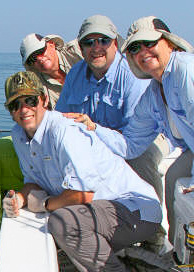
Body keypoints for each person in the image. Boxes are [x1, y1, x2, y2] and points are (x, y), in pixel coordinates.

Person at [2, 71, 162, 272]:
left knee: (63, 223)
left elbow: (83, 195)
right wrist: (20, 199)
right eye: (15, 105)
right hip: (99, 214)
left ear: (44, 99)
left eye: (30, 101)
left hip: (135, 210)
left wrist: (43, 203)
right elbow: (32, 181)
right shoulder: (18, 135)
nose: (24, 109)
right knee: (54, 255)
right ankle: (130, 261)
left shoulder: (65, 131)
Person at [56, 14, 169, 253]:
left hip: (140, 138)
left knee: (142, 158)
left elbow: (134, 138)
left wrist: (97, 139)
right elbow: (60, 120)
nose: (96, 47)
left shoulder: (131, 73)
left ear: (115, 43)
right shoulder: (75, 74)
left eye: (103, 40)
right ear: (81, 48)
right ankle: (95, 231)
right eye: (89, 42)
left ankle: (154, 234)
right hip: (96, 140)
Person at [77, 16, 194, 245]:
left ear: (169, 43)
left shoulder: (186, 71)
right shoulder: (153, 94)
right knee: (173, 178)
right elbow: (130, 145)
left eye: (149, 43)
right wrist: (93, 128)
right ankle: (179, 257)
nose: (143, 51)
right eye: (134, 47)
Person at [20, 33, 82, 109]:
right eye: (33, 58)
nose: (39, 58)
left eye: (40, 52)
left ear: (51, 44)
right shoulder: (37, 87)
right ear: (31, 65)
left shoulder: (77, 50)